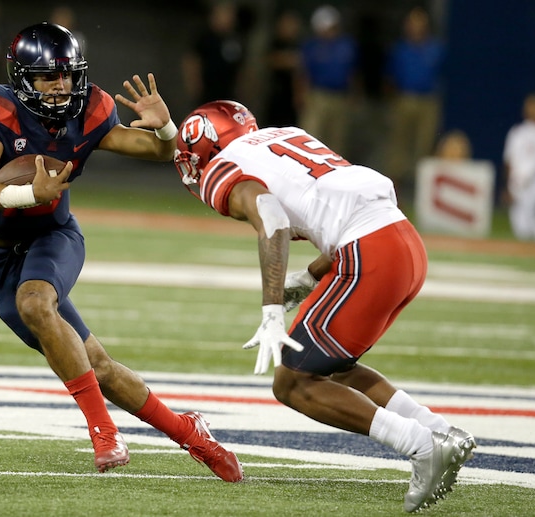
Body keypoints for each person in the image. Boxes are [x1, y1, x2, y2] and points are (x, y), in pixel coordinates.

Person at [0, 22, 243, 482]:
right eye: (48, 76)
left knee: (35, 302)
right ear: (23, 77)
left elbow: (161, 151)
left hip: (53, 235)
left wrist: (165, 125)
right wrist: (28, 194)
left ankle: (102, 431)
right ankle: (190, 433)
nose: (60, 85)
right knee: (97, 364)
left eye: (66, 74)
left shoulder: (88, 109)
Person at [172, 100, 476, 512]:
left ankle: (423, 447)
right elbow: (345, 206)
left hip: (367, 254)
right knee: (330, 364)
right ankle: (441, 431)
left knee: (292, 381)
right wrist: (312, 277)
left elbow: (272, 218)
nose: (192, 169)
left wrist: (272, 310)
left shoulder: (223, 166)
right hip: (403, 242)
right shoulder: (285, 136)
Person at [384, 7, 445, 200]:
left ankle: (423, 194)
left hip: (427, 101)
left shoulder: (435, 49)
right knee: (399, 145)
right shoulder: (400, 49)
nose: (417, 27)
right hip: (405, 99)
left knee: (424, 145)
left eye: (420, 23)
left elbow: (443, 74)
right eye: (413, 23)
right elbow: (390, 77)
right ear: (407, 26)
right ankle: (395, 194)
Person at [298, 5, 357, 154]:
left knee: (337, 138)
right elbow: (303, 73)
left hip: (340, 97)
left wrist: (353, 94)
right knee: (311, 136)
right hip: (318, 96)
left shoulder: (346, 45)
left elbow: (353, 72)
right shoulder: (312, 46)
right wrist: (301, 95)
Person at [181, 2, 246, 108]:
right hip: (207, 90)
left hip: (228, 92)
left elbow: (242, 67)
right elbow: (191, 61)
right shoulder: (204, 37)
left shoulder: (236, 40)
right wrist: (193, 83)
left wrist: (242, 88)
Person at [502, 92, 535, 241]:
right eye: (529, 105)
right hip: (519, 182)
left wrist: (533, 174)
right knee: (521, 230)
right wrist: (508, 186)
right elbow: (508, 161)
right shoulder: (517, 132)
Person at [263, 9, 303, 127]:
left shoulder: (298, 44)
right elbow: (271, 60)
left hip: (292, 95)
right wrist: (290, 60)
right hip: (276, 92)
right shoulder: (275, 42)